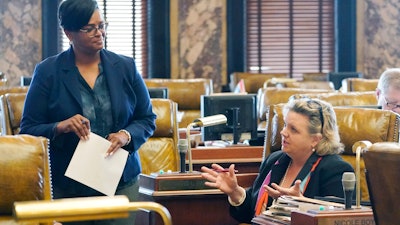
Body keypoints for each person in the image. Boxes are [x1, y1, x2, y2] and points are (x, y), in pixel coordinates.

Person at [20, 0, 156, 224]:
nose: (99, 33)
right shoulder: (47, 72)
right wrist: (60, 126)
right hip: (69, 185)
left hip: (120, 181)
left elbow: (147, 118)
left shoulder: (125, 67)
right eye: (89, 28)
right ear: (69, 33)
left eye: (102, 25)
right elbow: (28, 130)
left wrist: (126, 135)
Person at [201, 98, 354, 223]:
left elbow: (337, 220)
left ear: (315, 139)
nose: (283, 132)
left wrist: (301, 206)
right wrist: (236, 192)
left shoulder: (335, 170)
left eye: (293, 129)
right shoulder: (276, 160)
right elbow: (252, 214)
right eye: (285, 125)